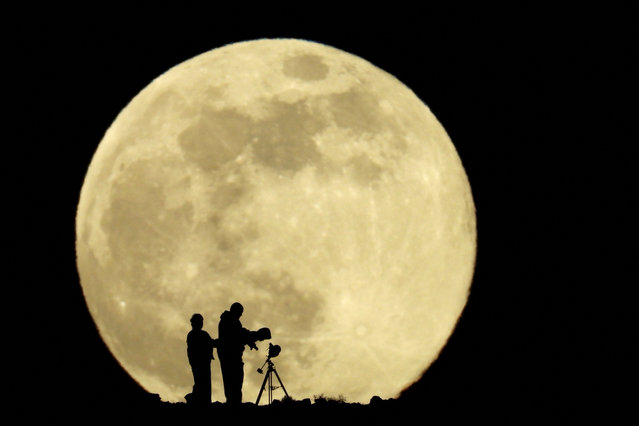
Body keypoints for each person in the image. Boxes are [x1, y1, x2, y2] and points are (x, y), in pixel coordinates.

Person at [217, 302, 266, 404]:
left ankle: (234, 403)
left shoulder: (232, 321)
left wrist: (250, 341)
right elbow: (237, 336)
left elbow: (239, 334)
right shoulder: (228, 322)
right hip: (230, 357)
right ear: (236, 311)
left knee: (235, 383)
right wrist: (256, 335)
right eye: (240, 312)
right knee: (233, 383)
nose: (241, 315)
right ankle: (234, 405)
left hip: (231, 356)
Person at [185, 313, 215, 405]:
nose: (201, 323)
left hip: (204, 363)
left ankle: (203, 401)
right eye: (199, 322)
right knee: (201, 383)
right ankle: (196, 400)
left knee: (203, 383)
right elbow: (192, 351)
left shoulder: (203, 334)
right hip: (199, 363)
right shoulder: (192, 335)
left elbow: (212, 343)